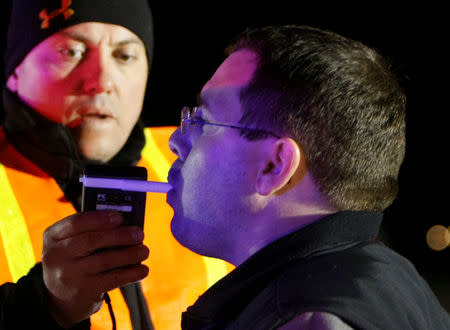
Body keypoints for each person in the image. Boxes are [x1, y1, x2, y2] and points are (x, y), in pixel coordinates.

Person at [166, 25, 450, 329]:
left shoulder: (309, 320)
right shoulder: (390, 279)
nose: (175, 140)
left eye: (203, 121)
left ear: (274, 166)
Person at [0, 0, 232, 329]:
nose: (102, 80)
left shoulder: (207, 164)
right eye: (72, 52)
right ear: (14, 72)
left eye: (124, 56)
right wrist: (44, 306)